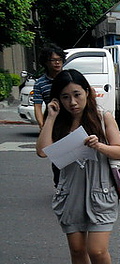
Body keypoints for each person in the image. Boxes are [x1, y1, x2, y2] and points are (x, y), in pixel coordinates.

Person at [35, 69, 120, 264]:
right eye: (65, 97)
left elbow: (119, 151)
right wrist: (50, 117)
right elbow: (42, 152)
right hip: (70, 192)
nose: (72, 102)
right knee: (76, 249)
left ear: (87, 92)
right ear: (58, 99)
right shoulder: (60, 121)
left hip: (100, 191)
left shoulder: (102, 116)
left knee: (96, 249)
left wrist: (99, 145)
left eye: (76, 94)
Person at [34, 44, 66, 186]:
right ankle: (59, 184)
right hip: (54, 124)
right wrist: (43, 125)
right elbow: (37, 105)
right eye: (53, 60)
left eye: (59, 59)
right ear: (46, 62)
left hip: (73, 121)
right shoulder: (40, 83)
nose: (57, 62)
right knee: (57, 156)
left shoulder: (69, 77)